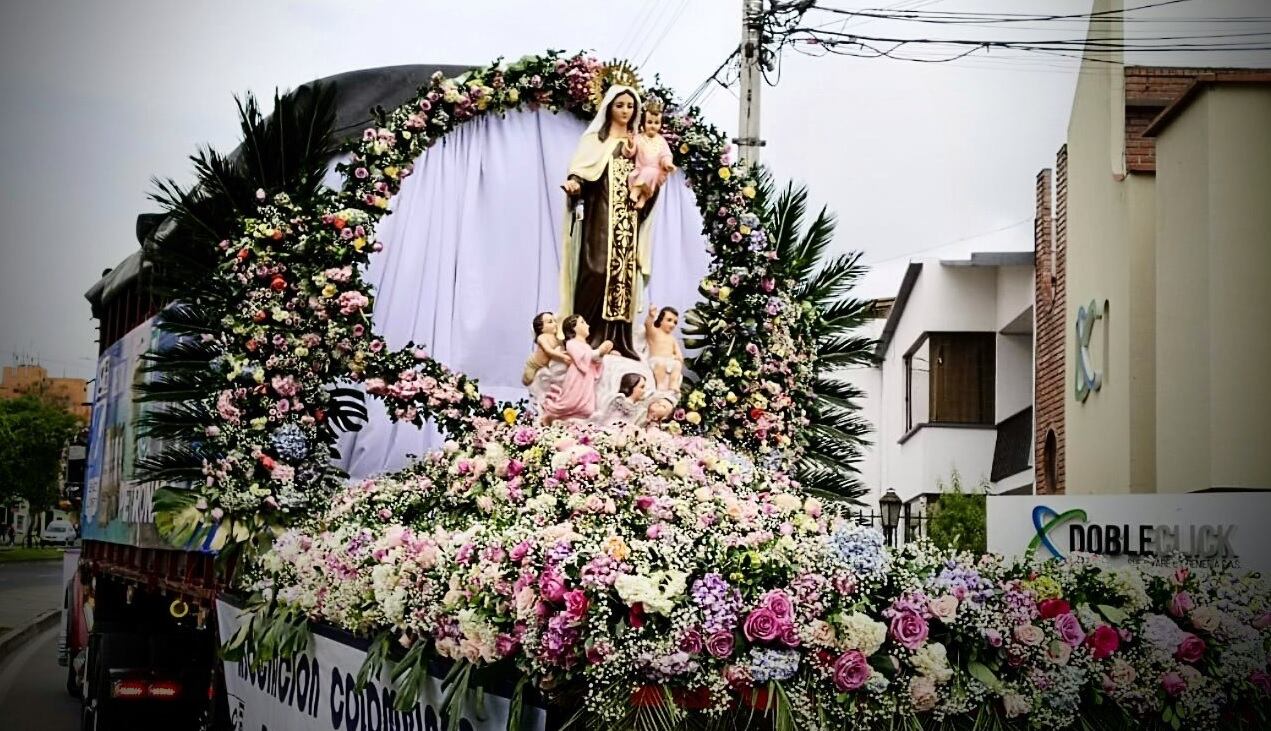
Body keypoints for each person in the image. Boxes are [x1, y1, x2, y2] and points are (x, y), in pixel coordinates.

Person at [559, 84, 660, 361]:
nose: (625, 111)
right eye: (620, 105)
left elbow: (653, 176)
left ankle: (617, 340)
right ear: (609, 108)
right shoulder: (594, 141)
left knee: (623, 278)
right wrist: (574, 184)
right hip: (599, 218)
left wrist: (651, 185)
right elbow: (582, 173)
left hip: (628, 221)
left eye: (630, 106)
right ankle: (587, 336)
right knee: (596, 269)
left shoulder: (638, 144)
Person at [541, 315, 613, 425]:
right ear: (574, 327)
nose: (587, 325)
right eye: (583, 323)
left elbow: (592, 361)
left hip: (586, 379)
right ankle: (554, 414)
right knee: (570, 403)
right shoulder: (571, 343)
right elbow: (581, 358)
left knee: (588, 409)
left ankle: (576, 423)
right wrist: (599, 351)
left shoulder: (586, 346)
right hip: (577, 378)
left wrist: (601, 354)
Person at [628, 98, 675, 210]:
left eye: (656, 123)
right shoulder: (638, 138)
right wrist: (630, 144)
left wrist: (668, 164)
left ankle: (641, 198)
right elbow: (631, 153)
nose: (653, 126)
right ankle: (637, 192)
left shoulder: (661, 140)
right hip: (640, 170)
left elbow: (665, 154)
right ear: (643, 123)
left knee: (651, 172)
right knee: (645, 172)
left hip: (656, 172)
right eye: (649, 122)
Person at [645, 305, 684, 392]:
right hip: (656, 361)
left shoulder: (672, 339)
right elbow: (648, 325)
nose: (672, 324)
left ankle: (673, 383)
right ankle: (660, 385)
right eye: (669, 320)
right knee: (660, 365)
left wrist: (677, 358)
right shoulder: (655, 332)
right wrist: (651, 316)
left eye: (675, 322)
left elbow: (679, 355)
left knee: (677, 365)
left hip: (669, 361)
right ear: (660, 319)